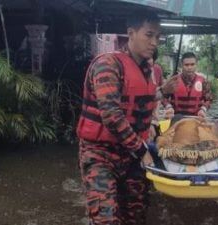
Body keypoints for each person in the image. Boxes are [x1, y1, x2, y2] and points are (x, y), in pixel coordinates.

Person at [76, 11, 176, 225]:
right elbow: (112, 115)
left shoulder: (148, 69)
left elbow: (140, 99)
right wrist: (141, 150)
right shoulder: (108, 64)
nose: (154, 42)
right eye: (149, 35)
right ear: (131, 33)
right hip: (100, 153)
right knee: (106, 219)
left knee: (136, 214)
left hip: (131, 156)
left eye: (158, 37)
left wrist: (162, 92)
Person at [162, 52, 211, 119]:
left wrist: (203, 109)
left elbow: (208, 100)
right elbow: (163, 97)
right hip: (176, 117)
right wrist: (168, 107)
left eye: (192, 64)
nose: (189, 67)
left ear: (196, 65)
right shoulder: (173, 80)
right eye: (186, 65)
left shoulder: (203, 81)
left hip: (196, 118)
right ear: (181, 65)